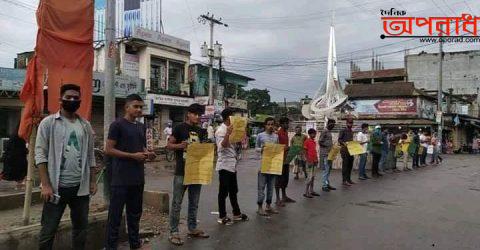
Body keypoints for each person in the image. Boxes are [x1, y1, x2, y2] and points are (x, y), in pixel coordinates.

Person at [35, 84, 97, 250]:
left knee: (81, 229)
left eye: (76, 98)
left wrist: (92, 181)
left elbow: (91, 156)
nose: (72, 100)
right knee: (48, 230)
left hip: (80, 188)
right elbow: (40, 155)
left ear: (80, 101)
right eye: (68, 97)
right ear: (60, 99)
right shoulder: (48, 123)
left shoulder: (86, 126)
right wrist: (46, 185)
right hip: (56, 188)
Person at [104, 94, 156, 249]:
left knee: (135, 215)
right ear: (127, 107)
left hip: (138, 179)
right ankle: (111, 246)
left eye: (141, 107)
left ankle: (135, 243)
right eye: (136, 106)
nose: (139, 109)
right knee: (115, 217)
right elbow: (108, 149)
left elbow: (142, 148)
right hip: (120, 179)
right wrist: (132, 156)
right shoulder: (117, 125)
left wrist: (148, 154)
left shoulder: (141, 126)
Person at [168, 103, 209, 246]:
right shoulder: (179, 128)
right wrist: (180, 146)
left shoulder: (202, 131)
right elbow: (169, 145)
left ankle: (192, 228)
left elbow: (205, 151)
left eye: (199, 114)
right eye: (195, 114)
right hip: (181, 171)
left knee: (194, 203)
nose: (197, 117)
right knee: (177, 203)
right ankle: (173, 232)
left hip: (197, 172)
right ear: (188, 114)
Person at [215, 108, 249, 225]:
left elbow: (237, 144)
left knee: (233, 190)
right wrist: (228, 133)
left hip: (232, 164)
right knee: (223, 192)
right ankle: (222, 216)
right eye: (233, 117)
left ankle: (236, 213)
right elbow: (222, 146)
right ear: (228, 118)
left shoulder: (233, 129)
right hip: (224, 165)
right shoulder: (221, 130)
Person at [256, 117, 279, 216]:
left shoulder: (276, 137)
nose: (270, 126)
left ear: (274, 125)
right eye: (268, 124)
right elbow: (256, 148)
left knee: (270, 187)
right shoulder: (260, 135)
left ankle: (268, 206)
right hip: (263, 165)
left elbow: (278, 149)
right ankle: (260, 207)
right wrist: (261, 149)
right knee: (261, 187)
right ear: (265, 125)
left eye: (272, 124)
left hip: (273, 165)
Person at [275, 117, 295, 207]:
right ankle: (277, 198)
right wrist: (286, 148)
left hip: (286, 159)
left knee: (285, 179)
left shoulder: (285, 133)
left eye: (288, 123)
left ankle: (284, 196)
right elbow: (276, 147)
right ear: (281, 124)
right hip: (279, 160)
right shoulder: (278, 134)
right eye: (286, 123)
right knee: (278, 180)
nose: (287, 125)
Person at [0, 125, 28, 190]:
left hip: (14, 156)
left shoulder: (18, 135)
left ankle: (20, 184)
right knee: (8, 172)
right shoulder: (18, 135)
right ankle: (20, 184)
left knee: (21, 170)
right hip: (13, 157)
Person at [319, 119, 336, 192]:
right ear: (328, 123)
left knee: (328, 170)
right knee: (326, 170)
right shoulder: (324, 131)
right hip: (325, 154)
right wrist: (328, 146)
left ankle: (327, 183)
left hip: (330, 154)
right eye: (332, 124)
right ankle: (324, 185)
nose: (333, 125)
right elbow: (320, 142)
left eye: (334, 124)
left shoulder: (329, 132)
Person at [338, 117, 355, 186]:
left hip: (351, 150)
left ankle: (349, 179)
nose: (350, 124)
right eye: (349, 122)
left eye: (351, 123)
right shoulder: (343, 130)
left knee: (350, 165)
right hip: (344, 150)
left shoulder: (351, 131)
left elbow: (351, 140)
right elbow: (339, 139)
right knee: (345, 165)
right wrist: (343, 143)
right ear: (346, 123)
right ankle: (344, 181)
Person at [304, 128, 319, 198]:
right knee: (309, 177)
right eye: (313, 133)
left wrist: (316, 159)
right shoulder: (307, 141)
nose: (315, 135)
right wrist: (308, 160)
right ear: (310, 134)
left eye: (315, 133)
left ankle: (311, 190)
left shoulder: (313, 141)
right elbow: (305, 152)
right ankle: (306, 192)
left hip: (314, 161)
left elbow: (314, 151)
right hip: (310, 162)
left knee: (313, 177)